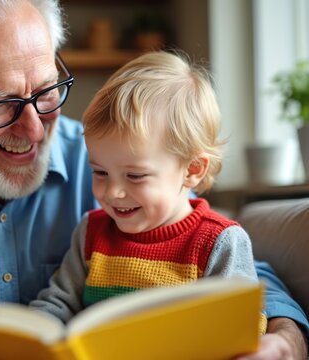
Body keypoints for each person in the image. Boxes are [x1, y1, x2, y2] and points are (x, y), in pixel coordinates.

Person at [0, 0, 306, 359]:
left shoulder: (112, 155)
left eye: (47, 91)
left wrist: (285, 337)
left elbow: (229, 263)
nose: (32, 130)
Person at [30, 50, 270, 334]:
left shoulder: (218, 242)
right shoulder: (91, 232)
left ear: (193, 169)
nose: (113, 192)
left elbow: (242, 326)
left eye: (135, 176)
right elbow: (59, 303)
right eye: (100, 172)